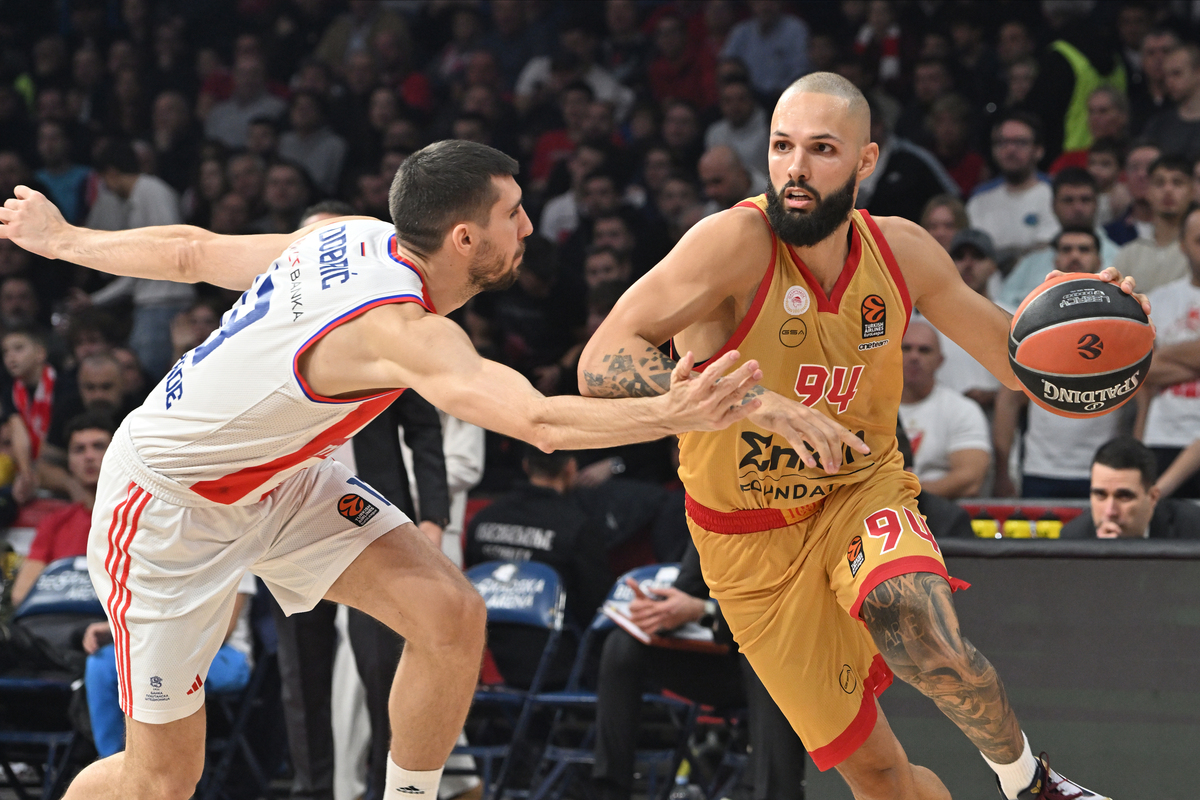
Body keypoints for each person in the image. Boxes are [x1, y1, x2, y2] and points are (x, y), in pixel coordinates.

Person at [0, 139, 768, 800]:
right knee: (162, 779)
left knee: (451, 615)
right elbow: (537, 420)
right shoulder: (401, 332)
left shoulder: (354, 233)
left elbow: (194, 251)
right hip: (168, 509)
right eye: (513, 214)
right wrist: (673, 414)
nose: (531, 225)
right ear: (465, 239)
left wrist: (67, 239)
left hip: (281, 481)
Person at [579, 72, 1131, 799]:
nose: (796, 169)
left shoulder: (901, 253)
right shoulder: (732, 244)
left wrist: (1095, 332)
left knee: (912, 613)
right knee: (879, 776)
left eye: (821, 149)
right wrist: (752, 402)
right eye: (781, 147)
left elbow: (1025, 365)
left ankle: (1030, 782)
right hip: (746, 542)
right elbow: (600, 362)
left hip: (855, 490)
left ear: (866, 161)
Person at [592, 541, 806, 800]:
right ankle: (609, 788)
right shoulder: (711, 515)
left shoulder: (786, 522)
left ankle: (772, 793)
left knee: (763, 652)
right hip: (725, 664)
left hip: (787, 658)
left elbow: (780, 611)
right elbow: (688, 588)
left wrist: (702, 611)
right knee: (621, 645)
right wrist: (657, 612)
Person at [992, 228, 1120, 500]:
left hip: (1104, 467)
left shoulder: (1120, 317)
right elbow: (1009, 399)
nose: (1075, 255)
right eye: (1066, 249)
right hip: (1041, 467)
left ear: (1099, 259)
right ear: (1055, 261)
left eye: (1084, 249)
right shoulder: (1033, 320)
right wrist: (1003, 471)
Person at [8, 412, 111, 607]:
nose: (89, 456)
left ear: (116, 453)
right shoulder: (54, 523)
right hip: (60, 628)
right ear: (70, 463)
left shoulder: (139, 516)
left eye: (98, 446)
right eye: (79, 450)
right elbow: (20, 594)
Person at [1138, 204, 1200, 499]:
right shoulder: (1159, 301)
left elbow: (1157, 363)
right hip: (1162, 435)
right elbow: (1144, 371)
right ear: (1183, 245)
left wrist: (1167, 356)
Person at [997, 168, 1120, 307]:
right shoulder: (1030, 263)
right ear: (1053, 206)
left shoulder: (1119, 257)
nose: (1077, 207)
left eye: (1085, 200)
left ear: (1096, 204)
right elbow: (1003, 307)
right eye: (1068, 200)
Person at [897, 321, 990, 499]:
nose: (914, 356)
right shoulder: (866, 408)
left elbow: (970, 479)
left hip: (939, 516)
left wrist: (903, 495)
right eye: (906, 348)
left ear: (940, 361)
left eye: (924, 350)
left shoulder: (962, 410)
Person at [967, 112, 1058, 269]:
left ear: (1039, 150)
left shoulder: (1056, 194)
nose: (1010, 150)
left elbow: (1050, 248)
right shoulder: (979, 199)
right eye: (1003, 142)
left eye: (1020, 142)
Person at [1059, 437, 1200, 539]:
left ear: (1153, 497)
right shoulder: (1074, 537)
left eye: (1124, 496)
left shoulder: (1192, 529)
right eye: (1100, 495)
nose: (1110, 511)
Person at [1110, 154, 1191, 295]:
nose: (1168, 190)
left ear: (1192, 191)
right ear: (1148, 191)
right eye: (1159, 183)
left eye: (1177, 182)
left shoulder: (1195, 250)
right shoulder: (1129, 254)